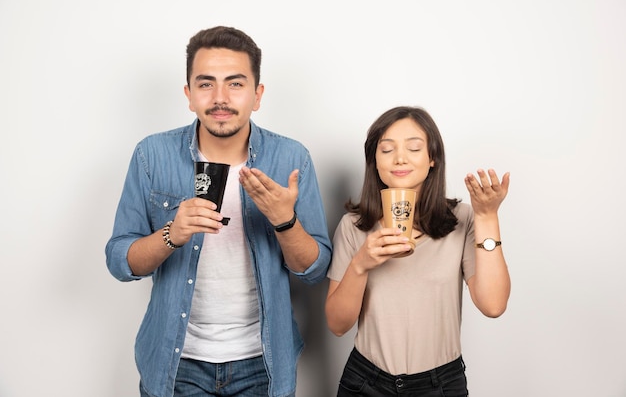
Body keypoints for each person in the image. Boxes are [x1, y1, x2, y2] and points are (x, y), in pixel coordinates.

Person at [105, 26, 332, 397]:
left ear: (257, 95)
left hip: (263, 363)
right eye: (206, 84)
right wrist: (171, 234)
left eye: (236, 84)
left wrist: (284, 222)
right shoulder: (152, 155)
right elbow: (119, 261)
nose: (220, 98)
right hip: (176, 363)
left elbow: (314, 270)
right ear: (189, 95)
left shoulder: (291, 159)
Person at [325, 106, 511, 396]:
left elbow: (493, 305)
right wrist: (360, 264)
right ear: (374, 160)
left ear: (432, 158)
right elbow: (337, 325)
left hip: (440, 385)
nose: (399, 158)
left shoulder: (462, 219)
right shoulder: (354, 226)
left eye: (414, 148)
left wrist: (487, 217)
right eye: (386, 150)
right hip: (366, 382)